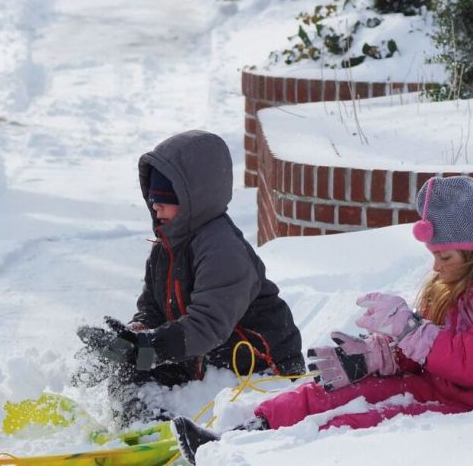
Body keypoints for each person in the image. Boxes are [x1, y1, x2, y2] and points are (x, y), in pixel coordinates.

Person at [171, 175, 473, 464]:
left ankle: (263, 456)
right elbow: (433, 349)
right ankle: (234, 438)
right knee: (335, 392)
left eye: (445, 257)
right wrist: (378, 358)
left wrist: (411, 330)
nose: (436, 267)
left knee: (358, 420)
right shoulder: (457, 286)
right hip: (441, 382)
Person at [75, 129, 305, 426]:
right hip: (203, 360)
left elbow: (208, 325)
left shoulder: (223, 250)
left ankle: (161, 429)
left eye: (165, 199)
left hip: (256, 369)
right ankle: (138, 429)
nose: (155, 205)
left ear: (193, 199)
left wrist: (149, 347)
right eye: (153, 198)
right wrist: (132, 337)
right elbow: (153, 308)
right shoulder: (167, 245)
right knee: (131, 371)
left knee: (146, 363)